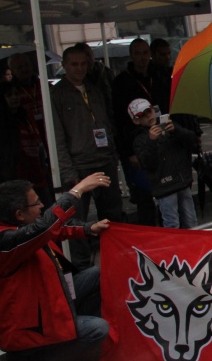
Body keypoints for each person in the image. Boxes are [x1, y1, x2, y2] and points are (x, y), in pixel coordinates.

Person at [0, 174, 111, 361]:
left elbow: (53, 230)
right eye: (36, 203)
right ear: (19, 214)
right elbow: (44, 227)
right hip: (31, 326)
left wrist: (88, 229)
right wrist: (77, 191)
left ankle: (72, 334)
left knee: (96, 274)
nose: (41, 207)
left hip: (49, 301)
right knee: (98, 329)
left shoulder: (19, 231)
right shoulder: (2, 242)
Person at [50, 46, 124, 269]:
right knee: (77, 218)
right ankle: (81, 267)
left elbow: (107, 121)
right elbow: (57, 135)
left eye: (83, 63)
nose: (80, 68)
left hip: (104, 159)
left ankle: (117, 256)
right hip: (78, 165)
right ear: (64, 65)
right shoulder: (58, 93)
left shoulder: (94, 88)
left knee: (112, 213)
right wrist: (68, 171)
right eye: (74, 64)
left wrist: (113, 154)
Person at [112, 38, 171, 226]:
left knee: (167, 191)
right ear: (131, 56)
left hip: (162, 138)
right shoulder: (122, 82)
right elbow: (119, 120)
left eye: (145, 53)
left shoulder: (160, 75)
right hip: (137, 142)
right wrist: (129, 152)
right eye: (137, 54)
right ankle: (149, 233)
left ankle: (168, 229)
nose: (142, 57)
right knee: (144, 195)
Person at [130, 99, 198, 229]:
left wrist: (176, 130)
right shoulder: (139, 140)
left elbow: (191, 140)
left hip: (182, 181)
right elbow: (147, 163)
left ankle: (195, 243)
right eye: (142, 115)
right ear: (136, 120)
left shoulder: (169, 126)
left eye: (148, 111)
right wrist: (152, 141)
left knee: (191, 222)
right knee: (172, 224)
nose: (148, 116)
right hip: (164, 187)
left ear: (153, 110)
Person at [0, 82, 51, 204]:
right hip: (8, 173)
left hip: (34, 168)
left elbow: (37, 141)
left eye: (16, 93)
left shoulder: (25, 115)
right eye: (9, 95)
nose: (14, 97)